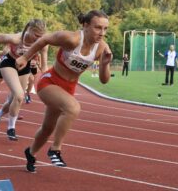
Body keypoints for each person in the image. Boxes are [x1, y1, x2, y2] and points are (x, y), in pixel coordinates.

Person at [16, 10, 113, 173]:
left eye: (105, 29)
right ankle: (55, 149)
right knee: (73, 108)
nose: (102, 33)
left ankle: (31, 152)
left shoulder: (102, 48)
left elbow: (104, 80)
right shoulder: (72, 39)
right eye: (98, 28)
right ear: (86, 25)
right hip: (50, 82)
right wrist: (25, 57)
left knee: (47, 128)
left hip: (68, 89)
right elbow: (45, 39)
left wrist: (104, 64)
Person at [0, 19, 48, 141]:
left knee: (13, 100)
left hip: (24, 67)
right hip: (9, 63)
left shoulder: (43, 43)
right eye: (36, 36)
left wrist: (48, 78)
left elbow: (44, 67)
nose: (38, 39)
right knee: (19, 95)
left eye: (41, 36)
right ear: (30, 30)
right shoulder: (16, 38)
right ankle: (11, 128)